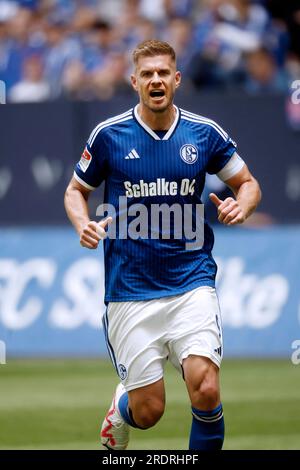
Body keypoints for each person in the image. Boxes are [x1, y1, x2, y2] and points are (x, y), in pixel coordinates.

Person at [64, 39, 261, 450]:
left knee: (205, 388)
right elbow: (74, 191)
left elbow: (248, 183)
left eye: (163, 73)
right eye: (147, 74)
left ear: (177, 79)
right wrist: (83, 223)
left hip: (192, 281)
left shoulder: (203, 134)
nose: (156, 80)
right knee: (149, 411)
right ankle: (122, 406)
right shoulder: (108, 136)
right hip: (130, 290)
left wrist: (241, 207)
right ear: (134, 81)